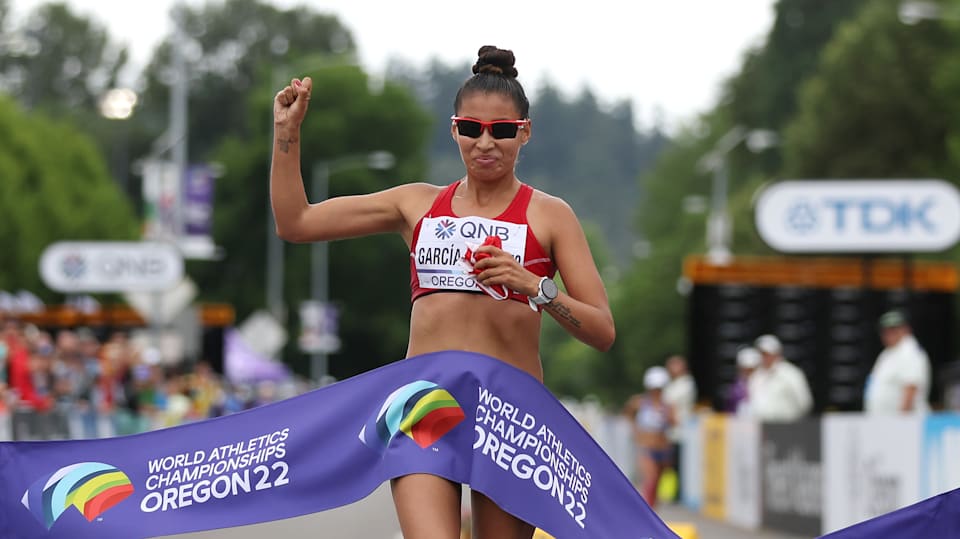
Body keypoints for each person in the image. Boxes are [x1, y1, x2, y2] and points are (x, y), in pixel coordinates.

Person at [271, 45, 615, 539]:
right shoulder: (417, 205)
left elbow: (602, 330)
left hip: (510, 415)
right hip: (424, 403)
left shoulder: (549, 215)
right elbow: (296, 222)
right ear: (455, 129)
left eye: (501, 130)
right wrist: (287, 134)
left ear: (525, 132)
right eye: (472, 128)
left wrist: (535, 287)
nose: (485, 143)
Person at [864, 310, 931, 414]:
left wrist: (901, 422)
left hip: (905, 424)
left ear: (906, 329)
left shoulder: (910, 352)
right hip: (885, 423)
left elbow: (911, 387)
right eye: (885, 331)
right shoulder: (887, 353)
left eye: (894, 330)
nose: (889, 334)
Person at [629, 366, 674, 508]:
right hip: (646, 447)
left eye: (659, 389)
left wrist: (667, 418)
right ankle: (646, 511)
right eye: (654, 388)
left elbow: (674, 422)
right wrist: (635, 431)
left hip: (662, 447)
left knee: (657, 484)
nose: (657, 392)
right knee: (650, 479)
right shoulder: (639, 402)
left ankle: (653, 513)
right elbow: (628, 413)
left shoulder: (667, 406)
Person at [747, 334, 813, 422]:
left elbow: (804, 403)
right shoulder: (756, 376)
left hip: (787, 426)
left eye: (766, 354)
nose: (764, 357)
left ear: (777, 353)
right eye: (761, 353)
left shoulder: (791, 373)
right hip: (762, 427)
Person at [661, 355, 695, 502]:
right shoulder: (671, 385)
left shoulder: (686, 383)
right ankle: (673, 492)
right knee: (671, 464)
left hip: (682, 429)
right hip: (671, 431)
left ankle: (680, 494)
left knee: (680, 464)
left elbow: (671, 404)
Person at [728, 346, 760, 415]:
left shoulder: (764, 383)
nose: (747, 372)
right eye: (744, 369)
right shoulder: (737, 386)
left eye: (750, 369)